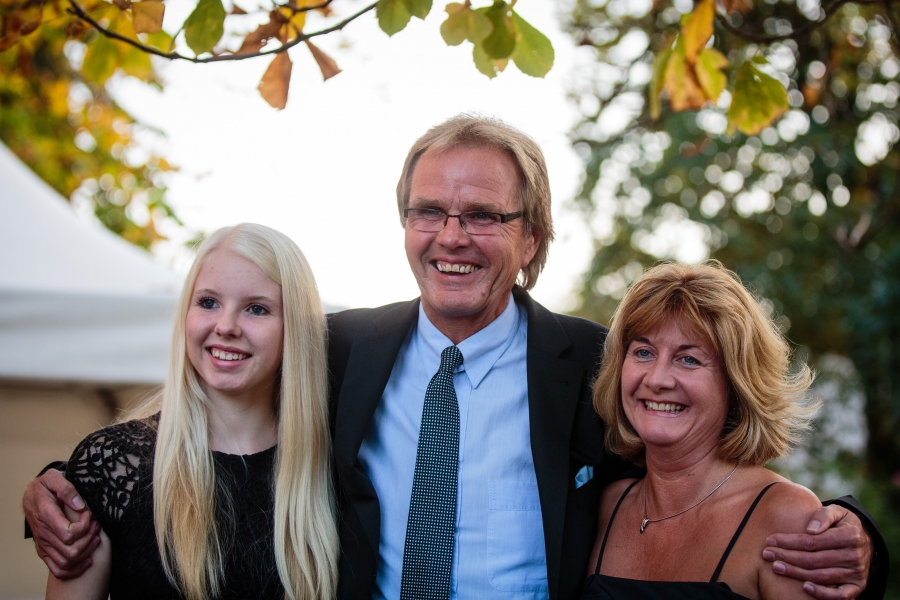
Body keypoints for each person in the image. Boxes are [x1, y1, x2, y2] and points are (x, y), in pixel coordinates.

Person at [25, 116, 884, 600]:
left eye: (483, 216)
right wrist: (64, 486)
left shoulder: (595, 364)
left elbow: (698, 468)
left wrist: (850, 528)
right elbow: (219, 398)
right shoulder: (339, 350)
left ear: (531, 237)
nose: (452, 236)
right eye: (429, 211)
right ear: (404, 226)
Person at [43, 224, 339, 600]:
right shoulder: (113, 466)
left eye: (257, 308)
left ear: (293, 328)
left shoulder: (336, 470)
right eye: (208, 302)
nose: (226, 326)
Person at [581, 261, 872, 599]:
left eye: (688, 359)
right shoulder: (608, 505)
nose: (657, 379)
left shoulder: (786, 516)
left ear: (736, 383)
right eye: (644, 352)